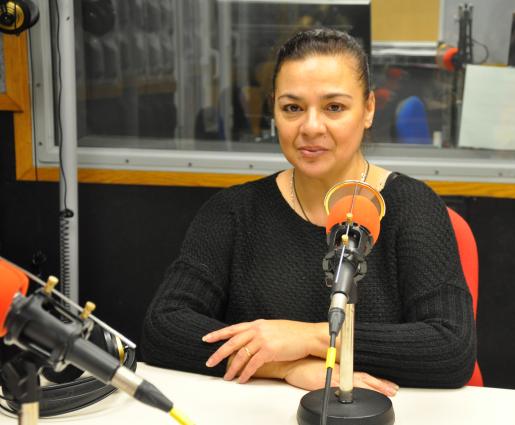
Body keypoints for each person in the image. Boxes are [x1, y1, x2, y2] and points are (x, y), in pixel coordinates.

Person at [141, 28, 476, 396]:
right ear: (274, 110)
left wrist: (308, 338)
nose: (311, 127)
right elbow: (164, 326)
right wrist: (285, 366)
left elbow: (450, 348)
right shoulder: (233, 211)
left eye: (334, 107)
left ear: (368, 109)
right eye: (293, 108)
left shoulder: (413, 207)